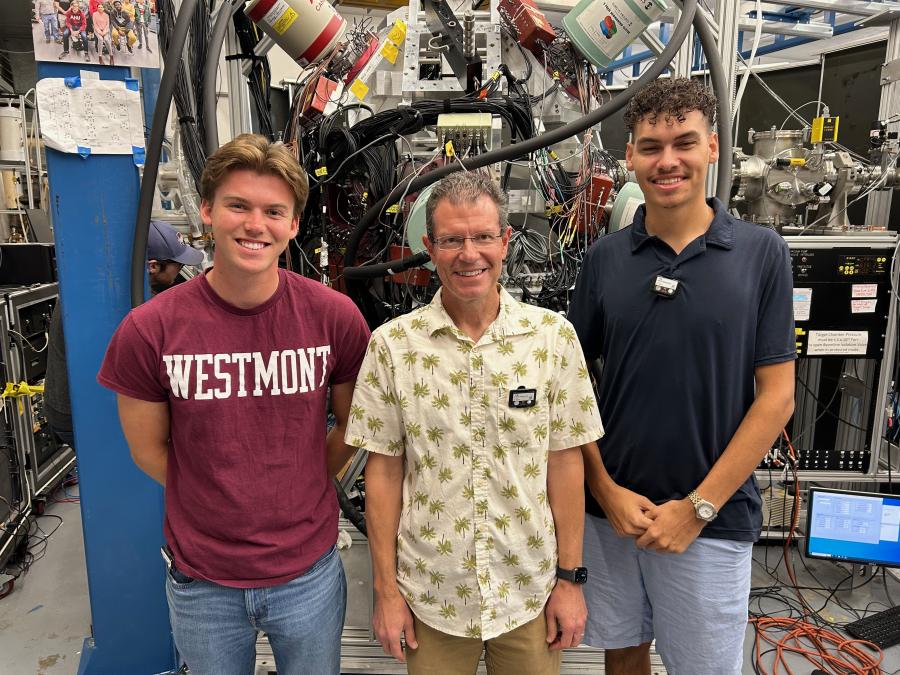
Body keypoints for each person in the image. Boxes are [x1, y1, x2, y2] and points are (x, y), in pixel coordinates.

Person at [97, 134, 370, 675]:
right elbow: (149, 450)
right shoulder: (150, 330)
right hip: (203, 579)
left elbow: (355, 425)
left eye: (274, 212)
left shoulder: (334, 318)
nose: (255, 225)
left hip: (308, 571)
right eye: (238, 206)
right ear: (207, 212)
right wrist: (220, 497)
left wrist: (304, 478)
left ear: (293, 225)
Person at [567, 77, 796, 675]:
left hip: (711, 521)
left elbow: (777, 399)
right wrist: (605, 491)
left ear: (713, 148)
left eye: (684, 143)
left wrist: (696, 508)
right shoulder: (605, 260)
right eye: (650, 146)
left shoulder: (760, 253)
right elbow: (569, 394)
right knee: (622, 654)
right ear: (630, 156)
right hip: (613, 514)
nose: (667, 161)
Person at [347, 171, 604, 675]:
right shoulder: (394, 347)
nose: (469, 254)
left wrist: (570, 580)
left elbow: (566, 464)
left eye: (483, 236)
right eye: (452, 240)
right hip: (432, 596)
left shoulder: (551, 338)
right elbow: (382, 473)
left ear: (506, 241)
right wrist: (385, 590)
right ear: (429, 246)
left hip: (528, 591)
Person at [46, 220, 203, 449]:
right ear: (152, 266)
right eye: (177, 266)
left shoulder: (105, 281)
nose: (179, 272)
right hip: (77, 415)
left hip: (86, 406)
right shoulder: (110, 300)